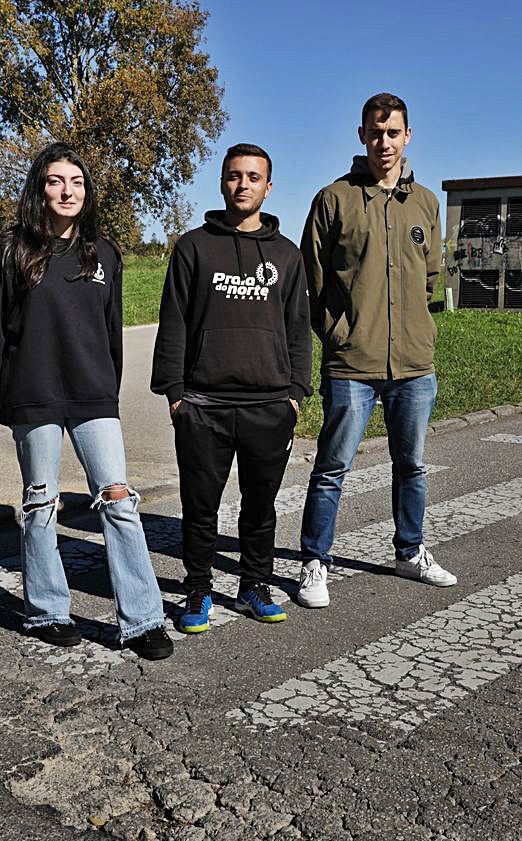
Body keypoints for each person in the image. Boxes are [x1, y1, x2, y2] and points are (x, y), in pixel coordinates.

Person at [0, 141, 172, 659]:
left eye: (77, 182)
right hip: (34, 396)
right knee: (40, 505)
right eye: (57, 181)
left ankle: (144, 619)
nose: (68, 191)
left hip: (93, 397)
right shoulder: (7, 251)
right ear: (39, 187)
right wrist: (4, 401)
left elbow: (112, 333)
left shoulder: (103, 252)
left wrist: (106, 388)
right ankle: (46, 612)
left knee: (119, 501)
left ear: (87, 191)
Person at [297, 93, 456, 608]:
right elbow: (312, 283)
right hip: (352, 364)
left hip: (414, 364)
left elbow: (431, 275)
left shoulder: (427, 203)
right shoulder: (333, 199)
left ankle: (409, 551)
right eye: (374, 132)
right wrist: (339, 332)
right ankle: (315, 562)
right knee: (332, 468)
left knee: (411, 464)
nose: (383, 143)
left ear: (408, 136)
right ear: (361, 135)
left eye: (393, 133)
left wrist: (417, 328)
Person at [152, 143, 312, 634]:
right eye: (234, 176)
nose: (242, 185)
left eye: (253, 176)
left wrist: (295, 393)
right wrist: (176, 393)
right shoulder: (194, 247)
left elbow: (297, 327)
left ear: (268, 186)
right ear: (222, 182)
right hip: (203, 403)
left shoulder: (286, 255)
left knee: (260, 506)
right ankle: (197, 589)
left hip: (268, 403)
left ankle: (253, 586)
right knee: (200, 505)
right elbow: (174, 320)